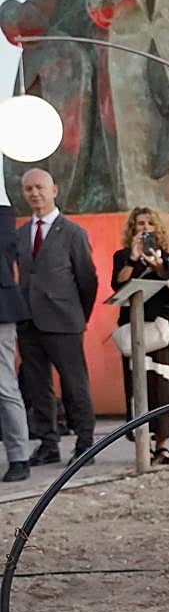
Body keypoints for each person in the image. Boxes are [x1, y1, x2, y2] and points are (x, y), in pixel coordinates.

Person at [16, 168, 98, 466]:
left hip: (65, 321)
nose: (34, 193)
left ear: (54, 190)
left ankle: (86, 443)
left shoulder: (73, 232)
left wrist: (78, 314)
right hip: (29, 322)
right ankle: (48, 443)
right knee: (38, 386)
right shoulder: (22, 233)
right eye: (28, 189)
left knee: (75, 385)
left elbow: (87, 280)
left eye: (39, 187)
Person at [112, 207, 169, 466]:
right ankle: (143, 442)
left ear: (158, 229)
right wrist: (133, 258)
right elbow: (118, 285)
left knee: (164, 389)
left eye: (150, 224)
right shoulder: (122, 256)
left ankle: (162, 446)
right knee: (138, 388)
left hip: (163, 332)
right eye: (139, 223)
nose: (144, 228)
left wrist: (160, 266)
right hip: (136, 330)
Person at [0, 206, 29, 482]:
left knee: (4, 386)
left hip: (1, 311)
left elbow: (4, 255)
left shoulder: (3, 215)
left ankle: (19, 456)